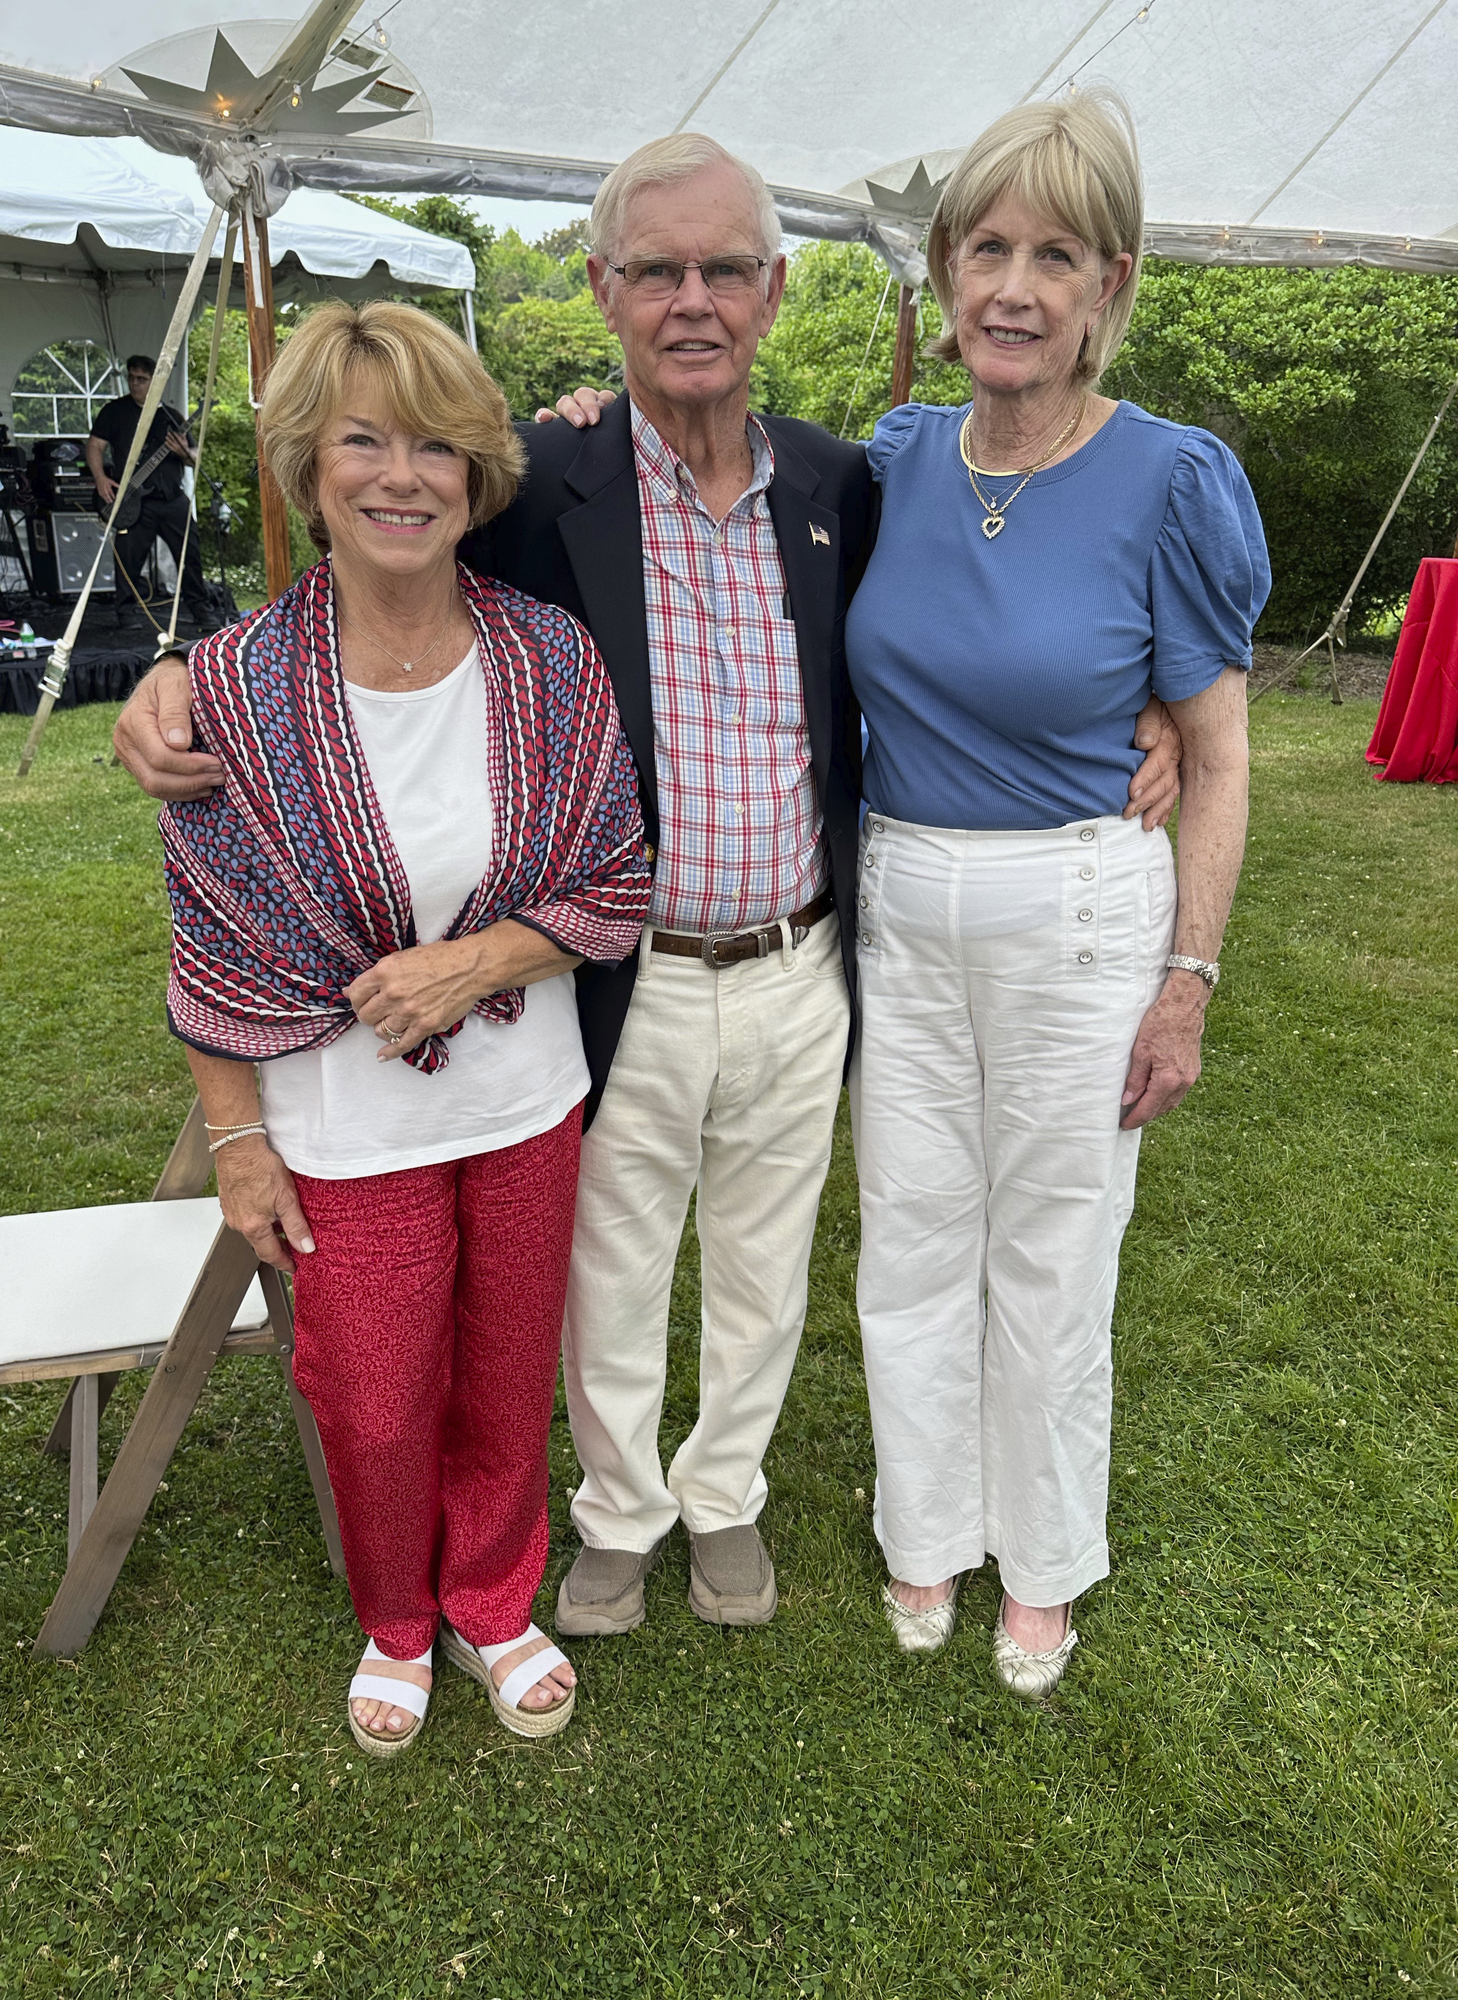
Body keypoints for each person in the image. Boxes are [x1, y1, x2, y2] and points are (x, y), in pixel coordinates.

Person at [115, 134, 1179, 1651]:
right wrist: (175, 676)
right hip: (616, 962)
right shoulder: (539, 480)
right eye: (658, 271)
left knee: (767, 1248)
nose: (695, 300)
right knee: (612, 1253)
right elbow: (367, 539)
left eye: (724, 269)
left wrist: (1141, 713)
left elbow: (975, 612)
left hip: (805, 954)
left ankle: (725, 1493)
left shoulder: (845, 482)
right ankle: (617, 1512)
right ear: (606, 290)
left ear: (775, 288)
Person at [159, 300, 650, 1754]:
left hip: (521, 1100)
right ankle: (395, 1616)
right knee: (375, 1398)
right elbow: (209, 933)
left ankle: (494, 1600)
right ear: (309, 470)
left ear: (477, 474)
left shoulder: (548, 658)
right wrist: (240, 1143)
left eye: (436, 444)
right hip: (337, 1124)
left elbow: (614, 871)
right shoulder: (231, 692)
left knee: (505, 1374)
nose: (401, 475)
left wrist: (474, 961)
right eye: (363, 441)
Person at [844, 88, 1269, 1696]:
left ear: (1111, 285)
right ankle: (926, 1529)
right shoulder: (897, 459)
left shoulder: (1169, 478)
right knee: (910, 1241)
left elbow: (1221, 759)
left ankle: (1046, 1561)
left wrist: (1190, 977)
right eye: (987, 248)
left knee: (1055, 1256)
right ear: (948, 271)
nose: (1012, 285)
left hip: (1085, 916)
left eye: (1056, 254)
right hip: (903, 901)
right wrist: (588, 424)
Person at [86, 355, 215, 629]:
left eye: (141, 379)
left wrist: (183, 452)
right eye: (131, 377)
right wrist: (100, 478)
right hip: (134, 501)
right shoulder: (114, 411)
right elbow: (95, 446)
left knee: (189, 556)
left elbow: (194, 457)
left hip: (171, 499)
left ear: (155, 381)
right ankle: (126, 613)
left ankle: (201, 611)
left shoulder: (171, 416)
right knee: (128, 557)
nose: (134, 383)